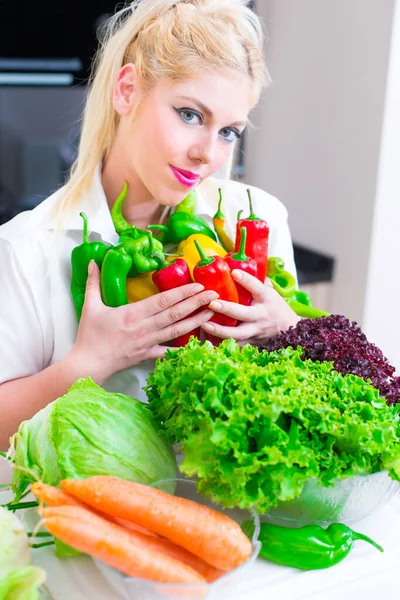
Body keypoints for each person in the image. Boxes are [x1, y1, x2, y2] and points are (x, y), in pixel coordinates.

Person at [0, 0, 299, 449]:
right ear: (127, 90)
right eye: (190, 115)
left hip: (225, 511)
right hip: (79, 509)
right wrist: (87, 363)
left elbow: (296, 403)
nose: (207, 154)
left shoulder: (259, 218)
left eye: (228, 132)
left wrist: (291, 330)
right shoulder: (24, 247)